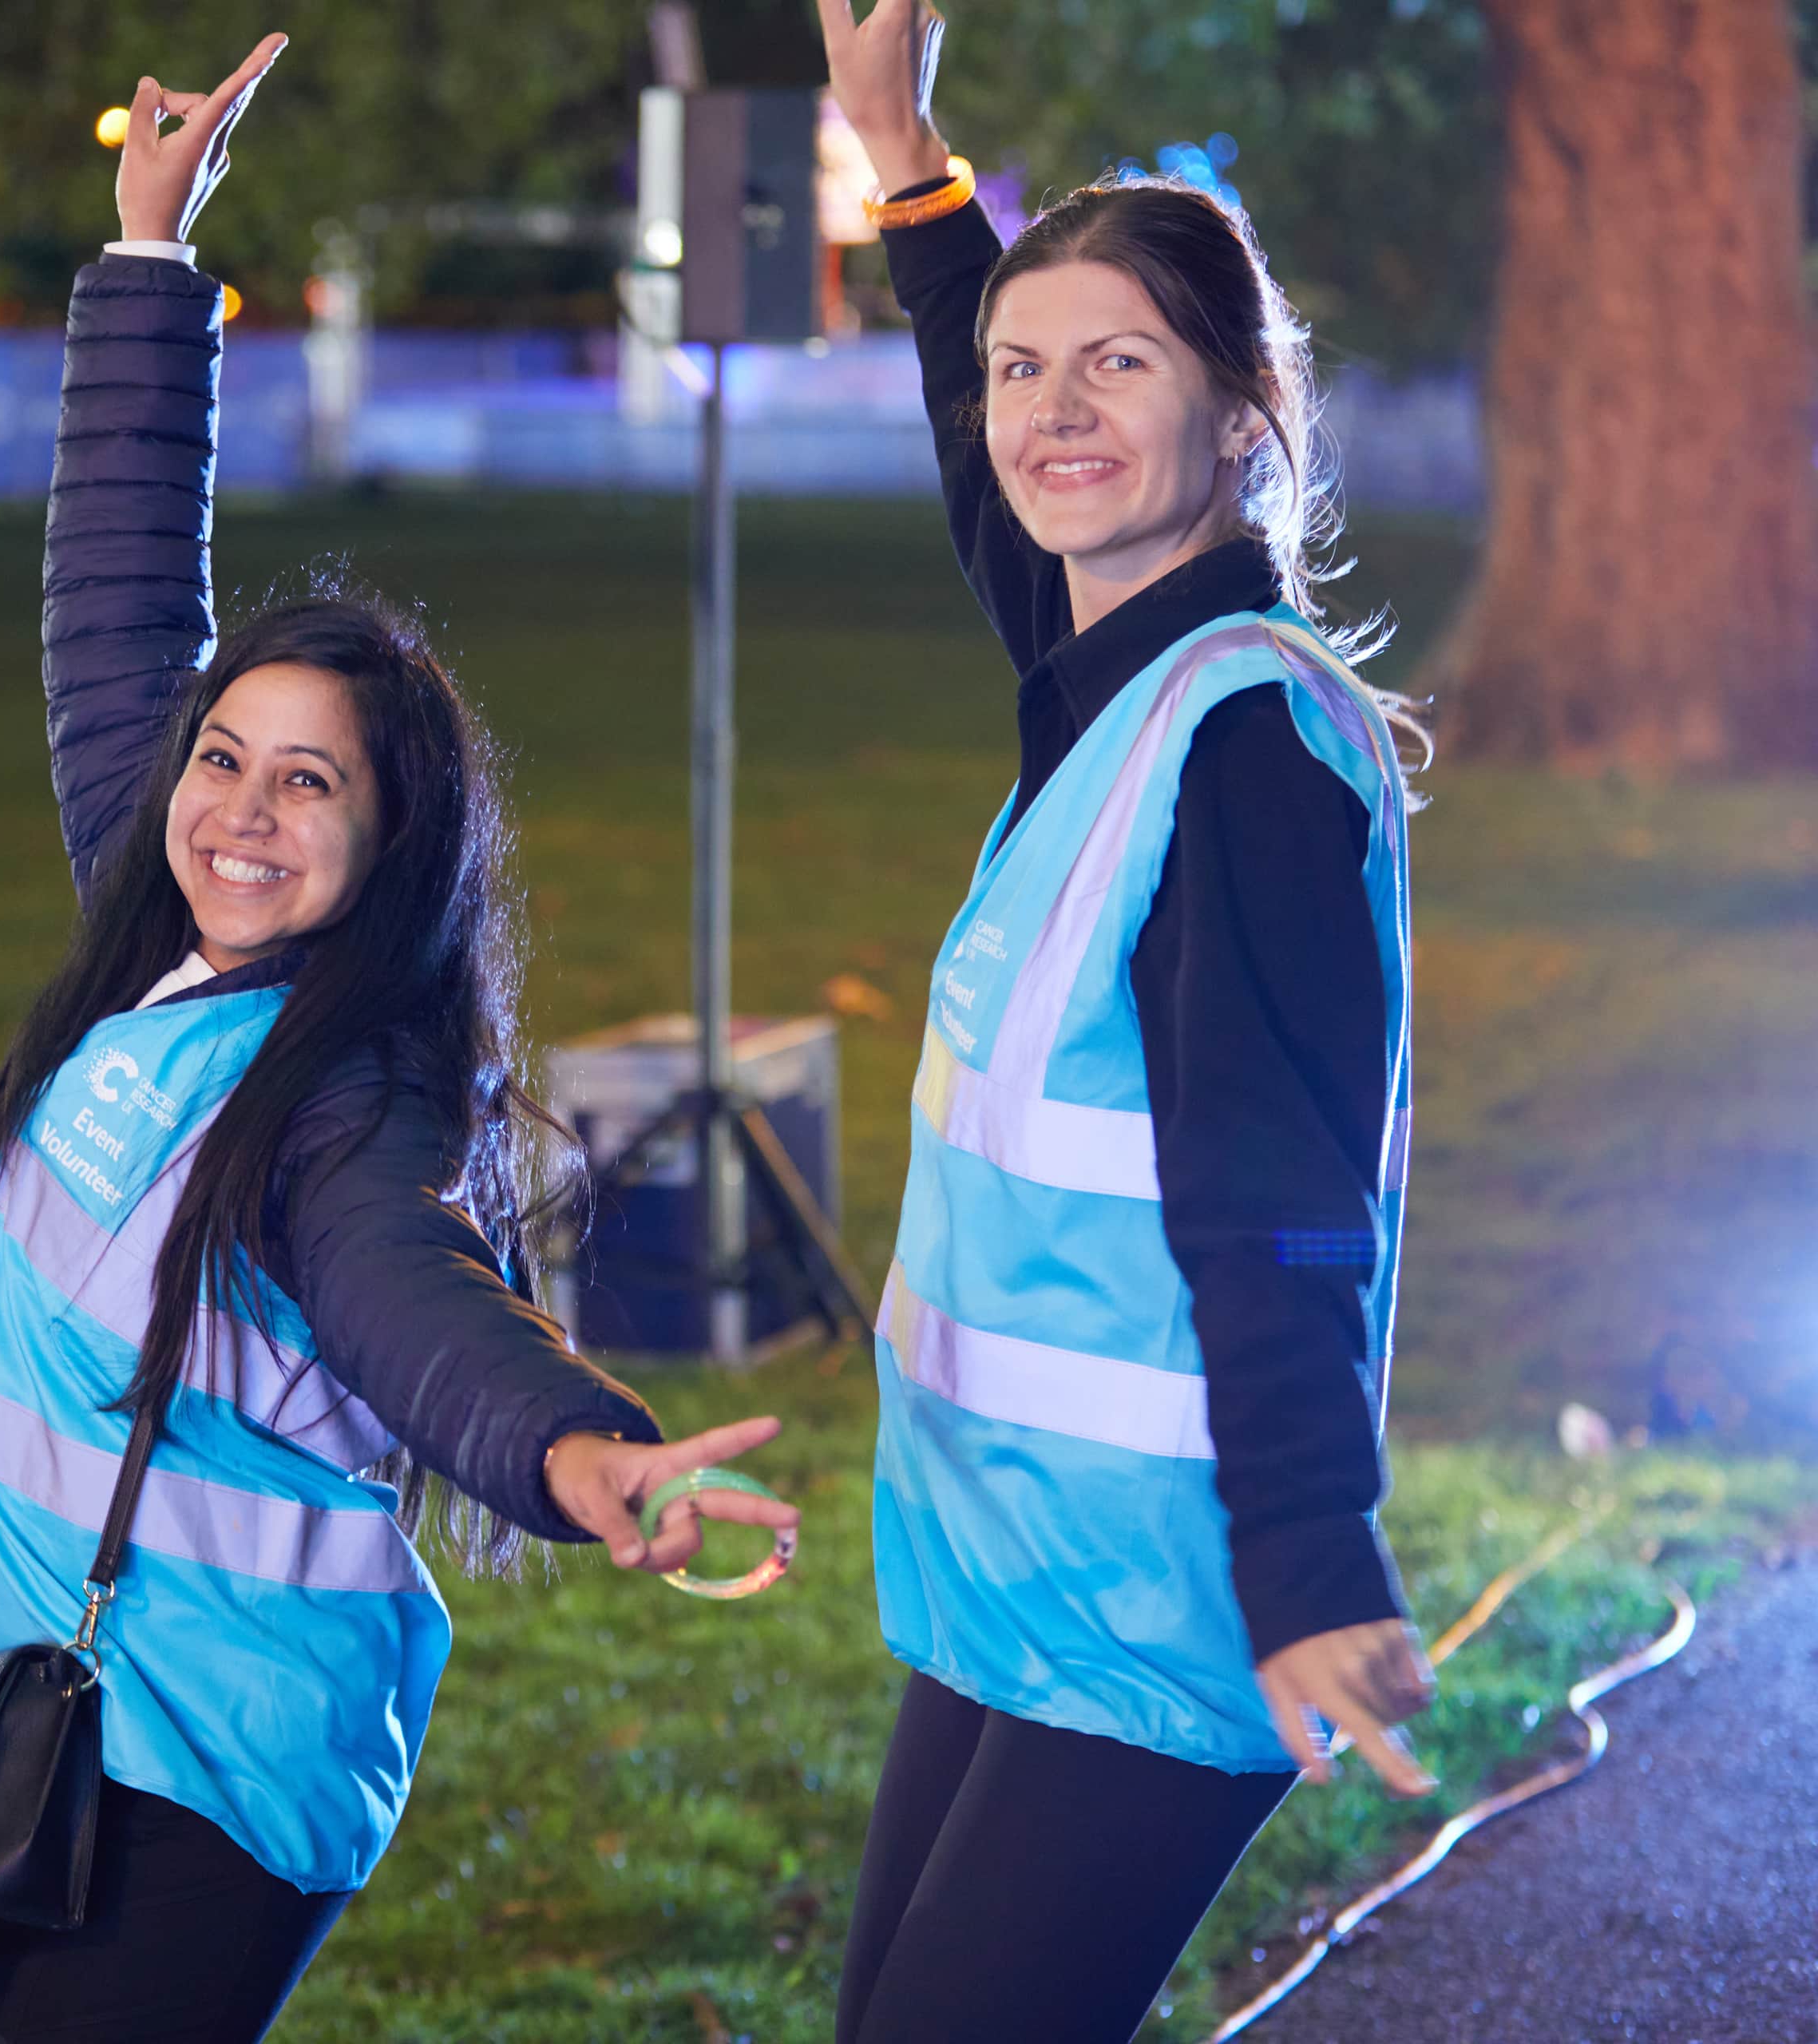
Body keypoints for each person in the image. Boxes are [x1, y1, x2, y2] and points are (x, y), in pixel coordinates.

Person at [0, 34, 802, 2044]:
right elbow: (116, 600)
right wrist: (146, 256)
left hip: (206, 1767)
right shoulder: (161, 943)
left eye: (314, 786)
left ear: (391, 850)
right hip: (24, 1717)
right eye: (224, 759)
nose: (243, 812)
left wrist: (574, 1452)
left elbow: (405, 1293)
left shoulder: (357, 1085)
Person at [810, 4, 1440, 2040]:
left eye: (1121, 364)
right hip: (1027, 1568)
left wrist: (1316, 1562)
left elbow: (1284, 1199)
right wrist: (907, 164)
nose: (1052, 410)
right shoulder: (1115, 671)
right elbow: (1003, 486)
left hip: (1173, 1594)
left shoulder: (1247, 748)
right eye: (1024, 365)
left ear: (1242, 414)